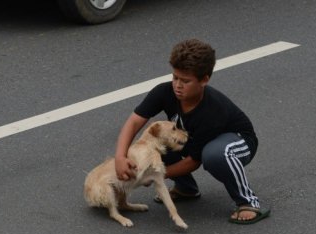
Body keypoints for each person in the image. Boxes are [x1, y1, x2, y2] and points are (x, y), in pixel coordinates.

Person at [114, 39, 270, 224]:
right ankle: (186, 189)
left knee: (214, 155)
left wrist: (156, 175)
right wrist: (120, 157)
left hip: (237, 143)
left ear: (204, 80)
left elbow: (194, 161)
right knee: (159, 140)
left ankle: (248, 201)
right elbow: (134, 122)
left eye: (185, 81)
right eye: (175, 77)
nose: (177, 85)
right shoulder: (164, 92)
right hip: (198, 139)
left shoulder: (212, 110)